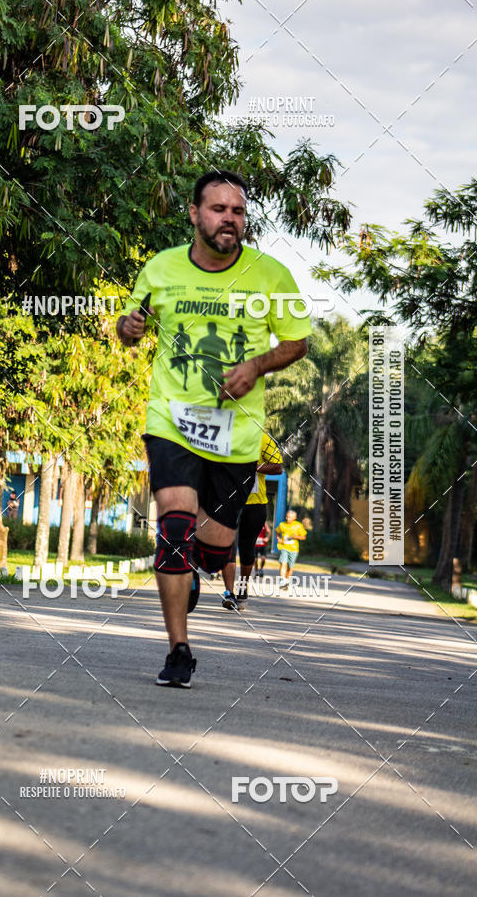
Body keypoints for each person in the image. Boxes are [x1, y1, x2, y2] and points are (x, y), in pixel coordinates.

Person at [116, 169, 311, 688]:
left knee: (216, 548)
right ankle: (178, 650)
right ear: (195, 214)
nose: (230, 218)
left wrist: (256, 367)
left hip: (235, 434)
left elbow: (297, 342)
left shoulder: (271, 275)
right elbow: (129, 328)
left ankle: (196, 564)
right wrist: (128, 327)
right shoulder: (161, 268)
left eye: (238, 211)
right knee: (173, 530)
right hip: (172, 420)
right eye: (219, 209)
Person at [221, 432, 283, 611]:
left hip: (255, 504)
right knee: (227, 546)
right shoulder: (223, 434)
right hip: (229, 503)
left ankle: (242, 589)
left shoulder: (262, 438)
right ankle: (228, 593)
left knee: (247, 551)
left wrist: (254, 467)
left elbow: (277, 467)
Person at [276, 510, 308, 585]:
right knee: (283, 563)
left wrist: (295, 536)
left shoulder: (298, 525)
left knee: (290, 567)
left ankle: (287, 580)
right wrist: (278, 538)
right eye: (286, 517)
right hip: (284, 547)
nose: (287, 518)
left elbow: (304, 537)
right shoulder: (282, 524)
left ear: (294, 518)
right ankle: (282, 579)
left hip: (294, 549)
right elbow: (277, 532)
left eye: (289, 517)